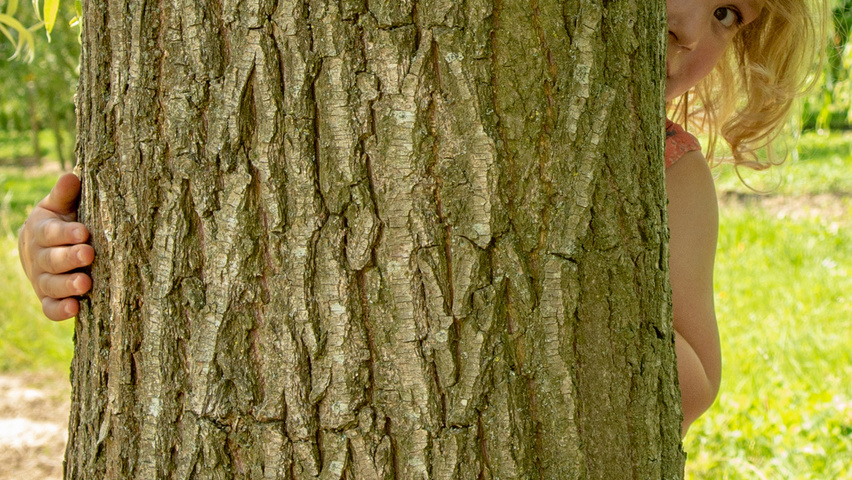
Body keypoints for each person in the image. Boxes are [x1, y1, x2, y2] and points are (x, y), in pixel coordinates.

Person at [17, 0, 823, 435]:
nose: (688, 25)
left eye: (729, 14)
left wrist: (582, 274)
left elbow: (697, 385)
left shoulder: (673, 174)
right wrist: (58, 251)